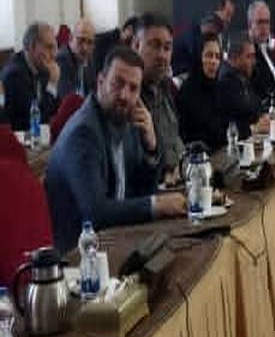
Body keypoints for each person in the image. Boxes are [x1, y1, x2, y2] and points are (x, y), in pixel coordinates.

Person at [44, 47, 187, 252]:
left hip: (117, 238)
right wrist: (156, 205)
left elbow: (141, 192)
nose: (124, 95)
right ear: (100, 81)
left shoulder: (125, 120)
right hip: (80, 253)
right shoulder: (83, 133)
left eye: (133, 88)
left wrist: (151, 147)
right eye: (117, 83)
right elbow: (96, 212)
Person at [133, 13, 184, 177]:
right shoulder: (129, 96)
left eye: (167, 48)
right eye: (154, 46)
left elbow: (175, 138)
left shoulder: (165, 87)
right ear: (136, 45)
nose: (162, 55)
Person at [1, 22, 62, 131]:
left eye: (55, 48)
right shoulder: (15, 75)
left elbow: (57, 111)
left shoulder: (42, 68)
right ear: (33, 46)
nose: (53, 54)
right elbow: (36, 119)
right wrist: (52, 85)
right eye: (49, 47)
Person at [177, 33, 230, 152]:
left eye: (217, 57)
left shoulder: (219, 88)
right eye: (209, 55)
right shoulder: (188, 92)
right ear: (199, 57)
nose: (214, 62)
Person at [218, 34, 271, 139]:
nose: (254, 61)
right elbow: (240, 117)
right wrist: (254, 127)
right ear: (234, 58)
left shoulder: (242, 76)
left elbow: (256, 106)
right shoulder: (225, 83)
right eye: (249, 56)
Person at [247, 0, 275, 101]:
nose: (264, 27)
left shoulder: (268, 48)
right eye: (259, 22)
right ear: (250, 24)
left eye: (267, 22)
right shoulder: (248, 54)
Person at [171, 13, 224, 77]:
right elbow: (194, 56)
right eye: (216, 31)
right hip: (181, 71)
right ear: (212, 26)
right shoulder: (190, 35)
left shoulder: (197, 34)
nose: (214, 35)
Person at [56, 18, 97, 98]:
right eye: (81, 40)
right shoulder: (62, 60)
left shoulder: (88, 58)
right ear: (71, 38)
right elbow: (67, 99)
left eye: (90, 42)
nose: (85, 48)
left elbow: (93, 90)